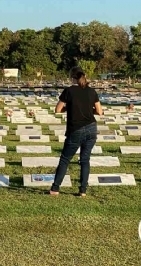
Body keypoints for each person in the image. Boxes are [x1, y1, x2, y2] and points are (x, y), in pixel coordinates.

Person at [49, 66, 103, 197]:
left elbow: (58, 109)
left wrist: (70, 108)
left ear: (72, 78)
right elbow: (99, 111)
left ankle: (55, 189)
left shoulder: (69, 91)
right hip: (91, 128)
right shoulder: (91, 91)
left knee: (65, 159)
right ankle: (83, 190)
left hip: (76, 129)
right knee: (85, 160)